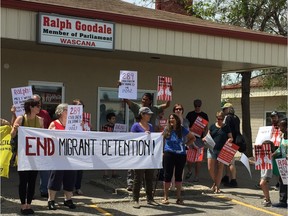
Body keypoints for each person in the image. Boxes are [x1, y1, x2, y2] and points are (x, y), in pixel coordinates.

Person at [122, 92, 171, 191]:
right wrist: (122, 88)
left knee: (147, 162)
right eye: (143, 98)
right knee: (133, 160)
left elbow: (167, 105)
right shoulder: (137, 107)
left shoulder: (155, 109)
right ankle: (131, 183)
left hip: (149, 139)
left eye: (145, 99)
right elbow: (126, 100)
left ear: (150, 101)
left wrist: (169, 93)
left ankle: (145, 183)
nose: (143, 100)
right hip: (138, 137)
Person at [10, 98, 44, 215]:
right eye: (38, 106)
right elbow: (12, 135)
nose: (39, 108)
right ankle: (23, 205)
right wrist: (15, 128)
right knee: (23, 181)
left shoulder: (40, 120)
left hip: (35, 156)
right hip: (23, 156)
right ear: (31, 107)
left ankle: (29, 204)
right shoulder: (21, 118)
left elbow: (43, 137)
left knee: (32, 181)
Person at [47, 103, 77, 210]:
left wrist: (81, 127)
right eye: (66, 110)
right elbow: (48, 137)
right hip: (57, 155)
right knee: (56, 177)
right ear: (60, 112)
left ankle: (68, 200)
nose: (69, 112)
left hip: (71, 155)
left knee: (70, 177)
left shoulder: (73, 124)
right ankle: (51, 200)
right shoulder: (54, 123)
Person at [162, 113, 196, 205]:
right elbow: (161, 139)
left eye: (173, 118)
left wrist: (186, 145)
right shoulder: (167, 129)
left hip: (180, 154)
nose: (171, 120)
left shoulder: (182, 129)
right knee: (167, 175)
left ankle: (178, 197)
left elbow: (193, 138)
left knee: (178, 175)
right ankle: (165, 197)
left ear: (177, 120)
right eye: (170, 118)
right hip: (169, 153)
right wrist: (162, 151)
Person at [130, 107, 159, 209]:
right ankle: (135, 199)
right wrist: (143, 135)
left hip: (149, 156)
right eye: (148, 114)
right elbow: (131, 139)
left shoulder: (150, 126)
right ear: (142, 114)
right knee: (138, 178)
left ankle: (150, 198)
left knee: (149, 178)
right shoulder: (135, 126)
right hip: (139, 157)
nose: (150, 116)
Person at [203, 111, 233, 194]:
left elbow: (231, 137)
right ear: (216, 118)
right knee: (210, 168)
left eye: (221, 119)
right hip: (212, 149)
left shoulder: (226, 127)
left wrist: (230, 139)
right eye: (218, 118)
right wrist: (205, 139)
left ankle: (217, 186)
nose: (220, 120)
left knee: (220, 169)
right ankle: (216, 183)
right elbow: (207, 136)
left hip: (222, 150)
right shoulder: (212, 126)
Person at [71, 99, 92, 195]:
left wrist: (86, 126)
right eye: (78, 106)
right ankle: (69, 187)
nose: (80, 108)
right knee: (70, 168)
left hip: (82, 144)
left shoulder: (86, 117)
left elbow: (88, 131)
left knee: (79, 168)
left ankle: (77, 187)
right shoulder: (69, 116)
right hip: (71, 144)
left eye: (82, 106)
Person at [33, 94, 52, 198]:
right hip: (31, 146)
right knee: (30, 171)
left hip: (43, 145)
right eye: (34, 101)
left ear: (40, 102)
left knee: (45, 170)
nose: (37, 103)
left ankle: (44, 190)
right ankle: (29, 192)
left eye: (38, 101)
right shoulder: (25, 114)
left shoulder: (45, 113)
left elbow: (49, 127)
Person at [185, 99, 209, 182]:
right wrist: (189, 131)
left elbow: (206, 128)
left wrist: (205, 137)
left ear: (201, 105)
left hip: (200, 139)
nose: (197, 107)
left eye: (198, 106)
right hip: (191, 138)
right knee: (189, 158)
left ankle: (196, 176)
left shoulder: (204, 115)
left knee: (199, 159)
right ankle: (190, 171)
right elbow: (186, 126)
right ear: (194, 105)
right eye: (196, 106)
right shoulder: (190, 114)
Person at [170, 104, 190, 190]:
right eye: (176, 109)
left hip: (183, 146)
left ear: (182, 110)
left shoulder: (186, 121)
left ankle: (179, 185)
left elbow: (189, 133)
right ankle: (172, 184)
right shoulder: (171, 121)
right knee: (172, 167)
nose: (178, 110)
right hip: (173, 146)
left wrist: (189, 145)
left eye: (180, 109)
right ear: (174, 111)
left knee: (181, 167)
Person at [221, 102, 240, 187]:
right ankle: (227, 176)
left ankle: (233, 180)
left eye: (225, 109)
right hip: (235, 141)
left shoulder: (227, 118)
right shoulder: (237, 118)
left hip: (229, 141)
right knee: (227, 161)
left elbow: (225, 129)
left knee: (230, 162)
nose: (223, 111)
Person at [272, 118, 287, 208]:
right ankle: (283, 201)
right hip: (284, 163)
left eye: (281, 126)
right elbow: (280, 149)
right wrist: (273, 154)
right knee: (283, 181)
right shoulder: (282, 136)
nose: (280, 128)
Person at [101, 112, 122, 180]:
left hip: (115, 145)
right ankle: (105, 174)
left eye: (115, 118)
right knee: (106, 159)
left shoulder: (117, 127)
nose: (114, 120)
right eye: (113, 119)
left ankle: (114, 173)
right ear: (108, 120)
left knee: (115, 159)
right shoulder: (105, 127)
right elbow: (103, 135)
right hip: (107, 145)